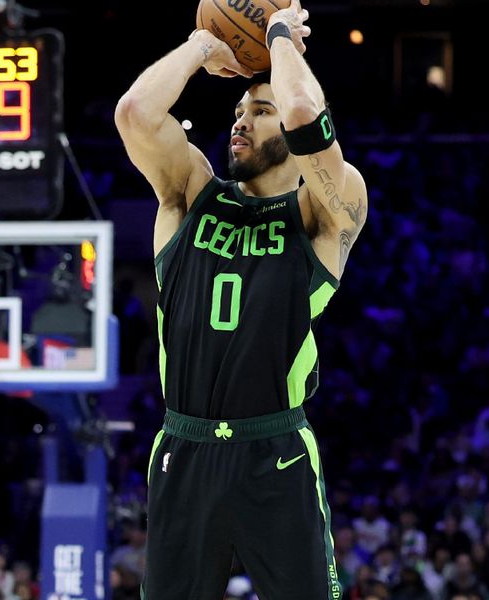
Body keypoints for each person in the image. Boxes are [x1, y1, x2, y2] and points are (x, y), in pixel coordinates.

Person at [115, 0, 368, 597]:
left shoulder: (323, 211)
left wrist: (279, 34)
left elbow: (305, 110)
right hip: (186, 443)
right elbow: (134, 113)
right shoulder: (189, 192)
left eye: (259, 111)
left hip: (274, 448)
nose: (240, 121)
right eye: (238, 110)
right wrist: (204, 44)